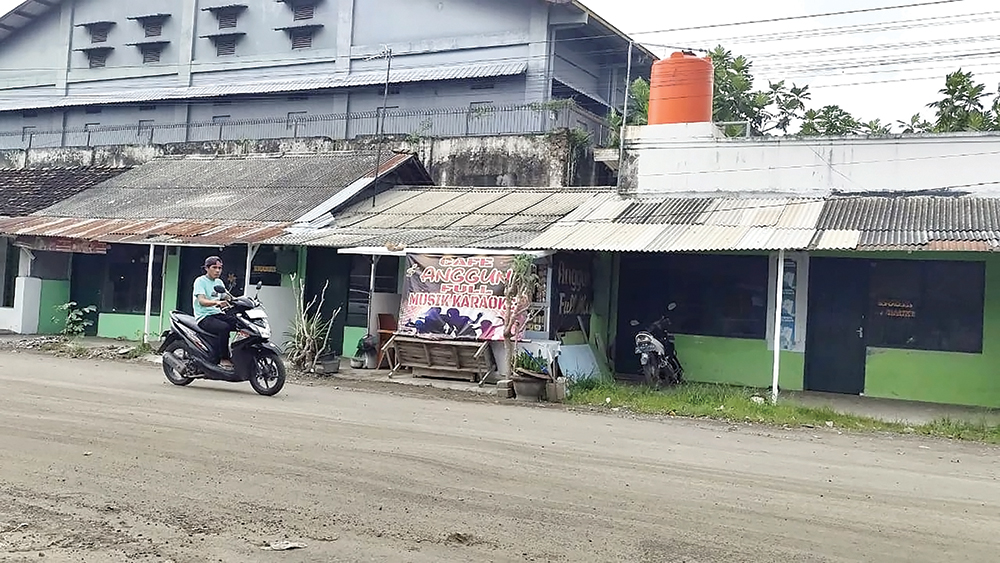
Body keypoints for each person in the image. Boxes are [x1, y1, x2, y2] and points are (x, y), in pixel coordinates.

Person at [193, 256, 239, 367]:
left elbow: (228, 297)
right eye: (214, 267)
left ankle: (238, 354)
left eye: (220, 268)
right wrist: (217, 303)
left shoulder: (219, 282)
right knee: (224, 328)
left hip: (217, 314)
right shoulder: (200, 281)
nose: (218, 270)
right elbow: (202, 301)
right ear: (206, 268)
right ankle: (223, 358)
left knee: (240, 323)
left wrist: (243, 301)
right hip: (204, 317)